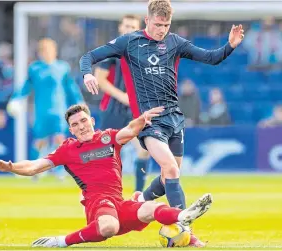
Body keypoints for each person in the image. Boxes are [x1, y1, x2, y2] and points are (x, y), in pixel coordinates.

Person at [79, 0, 244, 246]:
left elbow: (211, 58)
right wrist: (87, 73)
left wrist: (229, 46)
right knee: (172, 169)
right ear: (147, 20)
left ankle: (140, 201)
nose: (162, 30)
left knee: (169, 179)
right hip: (148, 121)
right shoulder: (130, 42)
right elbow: (89, 56)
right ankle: (186, 233)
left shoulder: (175, 42)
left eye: (166, 25)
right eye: (158, 25)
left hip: (175, 119)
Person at [0, 104, 213, 248]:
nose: (81, 127)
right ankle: (60, 242)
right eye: (75, 124)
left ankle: (182, 216)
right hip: (98, 203)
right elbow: (34, 166)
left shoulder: (108, 138)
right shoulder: (67, 150)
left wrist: (142, 119)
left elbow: (129, 130)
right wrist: (12, 167)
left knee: (150, 208)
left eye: (83, 121)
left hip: (118, 203)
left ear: (92, 121)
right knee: (109, 227)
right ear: (70, 130)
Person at [7, 38, 84, 181]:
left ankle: (60, 171)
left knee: (60, 140)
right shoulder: (35, 68)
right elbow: (25, 87)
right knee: (39, 141)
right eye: (44, 50)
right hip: (41, 111)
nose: (47, 53)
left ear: (55, 51)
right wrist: (16, 98)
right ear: (40, 53)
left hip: (60, 110)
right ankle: (33, 171)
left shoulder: (63, 67)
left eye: (50, 50)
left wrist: (79, 102)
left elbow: (71, 88)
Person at [95, 14, 150, 192]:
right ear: (121, 28)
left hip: (135, 110)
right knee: (104, 155)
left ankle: (138, 195)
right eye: (126, 26)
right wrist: (122, 96)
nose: (129, 30)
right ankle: (96, 191)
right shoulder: (112, 49)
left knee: (144, 150)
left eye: (133, 27)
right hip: (114, 109)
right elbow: (100, 79)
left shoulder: (144, 51)